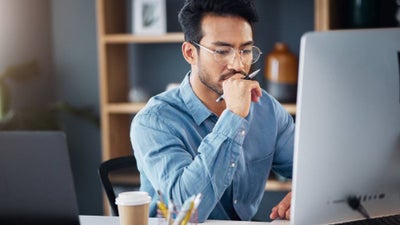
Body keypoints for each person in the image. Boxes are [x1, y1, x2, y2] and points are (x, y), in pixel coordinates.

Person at [130, 0, 294, 222]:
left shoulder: (267, 109)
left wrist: (302, 194)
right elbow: (186, 213)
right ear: (190, 53)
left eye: (245, 50)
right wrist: (233, 116)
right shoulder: (153, 121)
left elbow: (314, 169)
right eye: (222, 51)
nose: (237, 64)